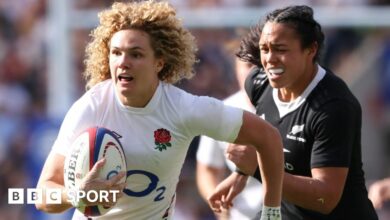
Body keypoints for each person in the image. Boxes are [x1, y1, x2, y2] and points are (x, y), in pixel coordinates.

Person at [35, 1, 284, 219]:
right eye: (116, 53)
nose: (123, 62)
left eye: (136, 54)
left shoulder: (183, 109)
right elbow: (42, 196)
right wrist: (77, 194)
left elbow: (268, 137)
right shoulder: (91, 107)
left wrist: (271, 210)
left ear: (159, 63)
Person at [208, 5, 379, 220]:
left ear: (311, 49)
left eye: (281, 49)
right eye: (265, 49)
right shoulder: (259, 83)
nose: (269, 59)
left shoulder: (333, 106)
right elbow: (264, 139)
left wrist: (257, 169)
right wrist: (240, 175)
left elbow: (325, 199)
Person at [196, 35, 263, 220]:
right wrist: (219, 204)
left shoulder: (295, 109)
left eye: (261, 65)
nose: (254, 73)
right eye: (248, 65)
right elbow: (207, 169)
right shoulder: (221, 113)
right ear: (236, 68)